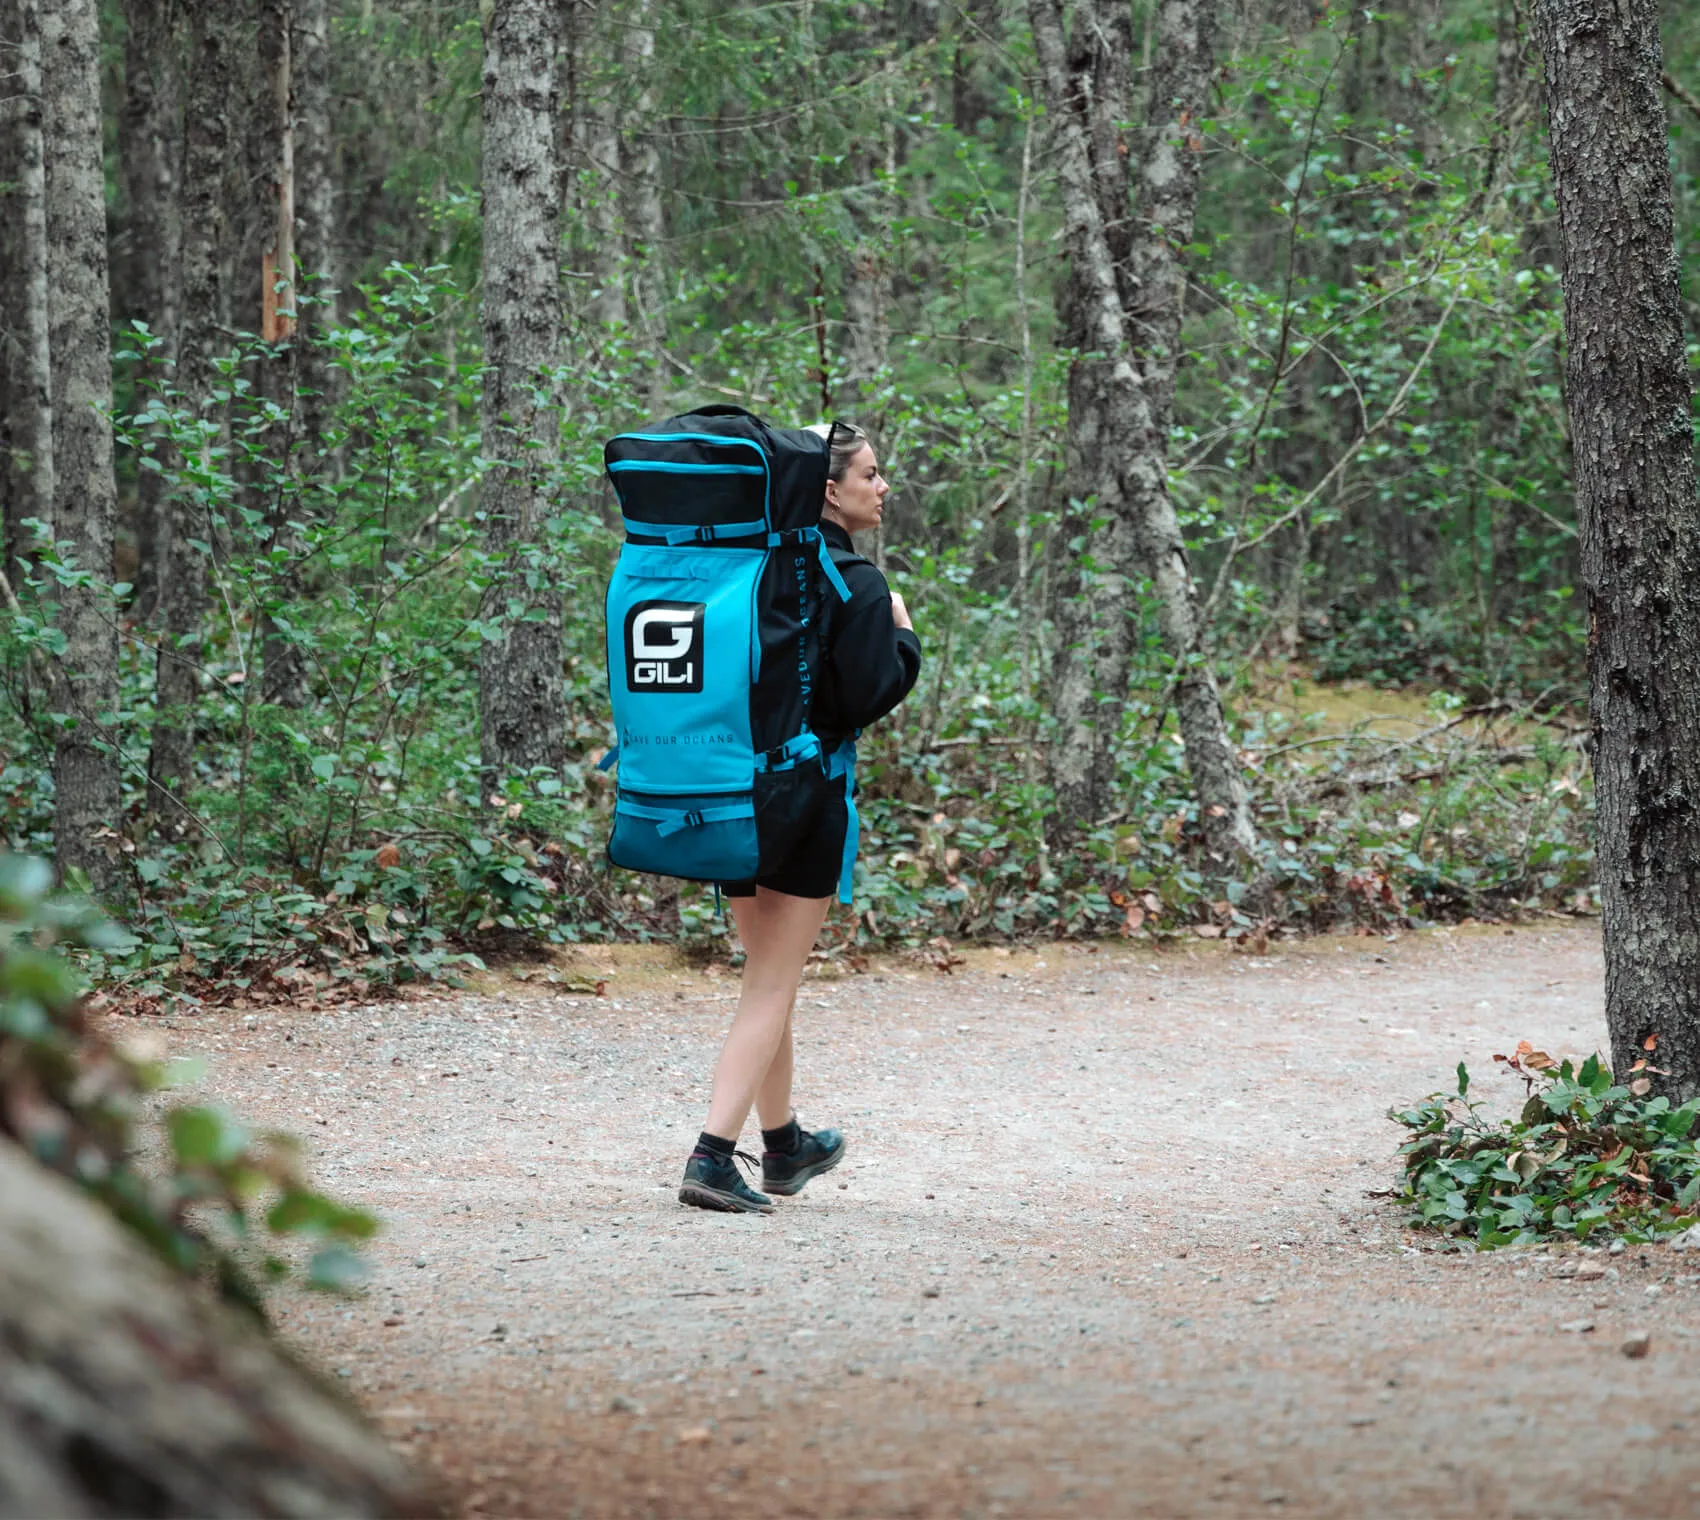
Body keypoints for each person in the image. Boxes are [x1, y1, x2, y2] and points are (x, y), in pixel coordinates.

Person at [678, 423, 922, 1213]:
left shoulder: (749, 568)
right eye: (871, 474)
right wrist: (905, 635)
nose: (883, 488)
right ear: (828, 487)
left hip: (728, 787)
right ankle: (712, 1156)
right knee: (773, 983)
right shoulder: (857, 582)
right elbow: (867, 696)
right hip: (804, 798)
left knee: (766, 980)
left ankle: (783, 1146)